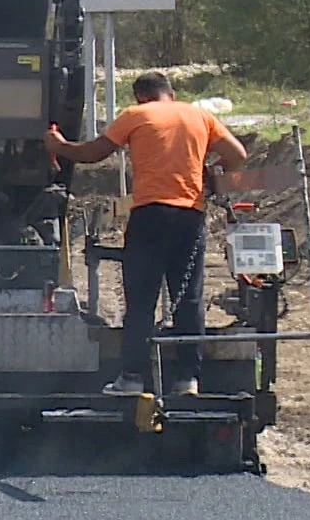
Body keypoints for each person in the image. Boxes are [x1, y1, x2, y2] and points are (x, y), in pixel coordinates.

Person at [45, 71, 248, 398]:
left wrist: (59, 145)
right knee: (189, 298)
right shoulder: (200, 115)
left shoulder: (136, 116)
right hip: (190, 216)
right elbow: (238, 155)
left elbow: (93, 153)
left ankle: (132, 378)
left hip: (150, 216)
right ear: (171, 92)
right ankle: (187, 380)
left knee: (141, 300)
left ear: (141, 96)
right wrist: (209, 174)